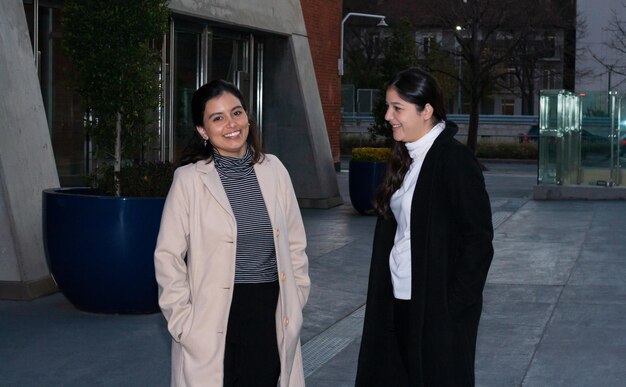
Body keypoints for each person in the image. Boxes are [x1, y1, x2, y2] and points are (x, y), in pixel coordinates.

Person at [154, 79, 310, 387]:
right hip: (211, 316)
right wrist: (182, 323)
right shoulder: (189, 180)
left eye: (236, 113)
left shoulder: (275, 170)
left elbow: (295, 244)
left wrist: (297, 296)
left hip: (269, 311)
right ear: (202, 131)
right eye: (218, 118)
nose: (231, 124)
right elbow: (168, 256)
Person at [355, 68, 494, 386]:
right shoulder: (407, 158)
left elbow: (479, 240)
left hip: (435, 312)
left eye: (397, 108)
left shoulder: (454, 161)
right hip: (399, 303)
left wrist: (452, 306)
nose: (389, 116)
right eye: (388, 107)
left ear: (426, 110)